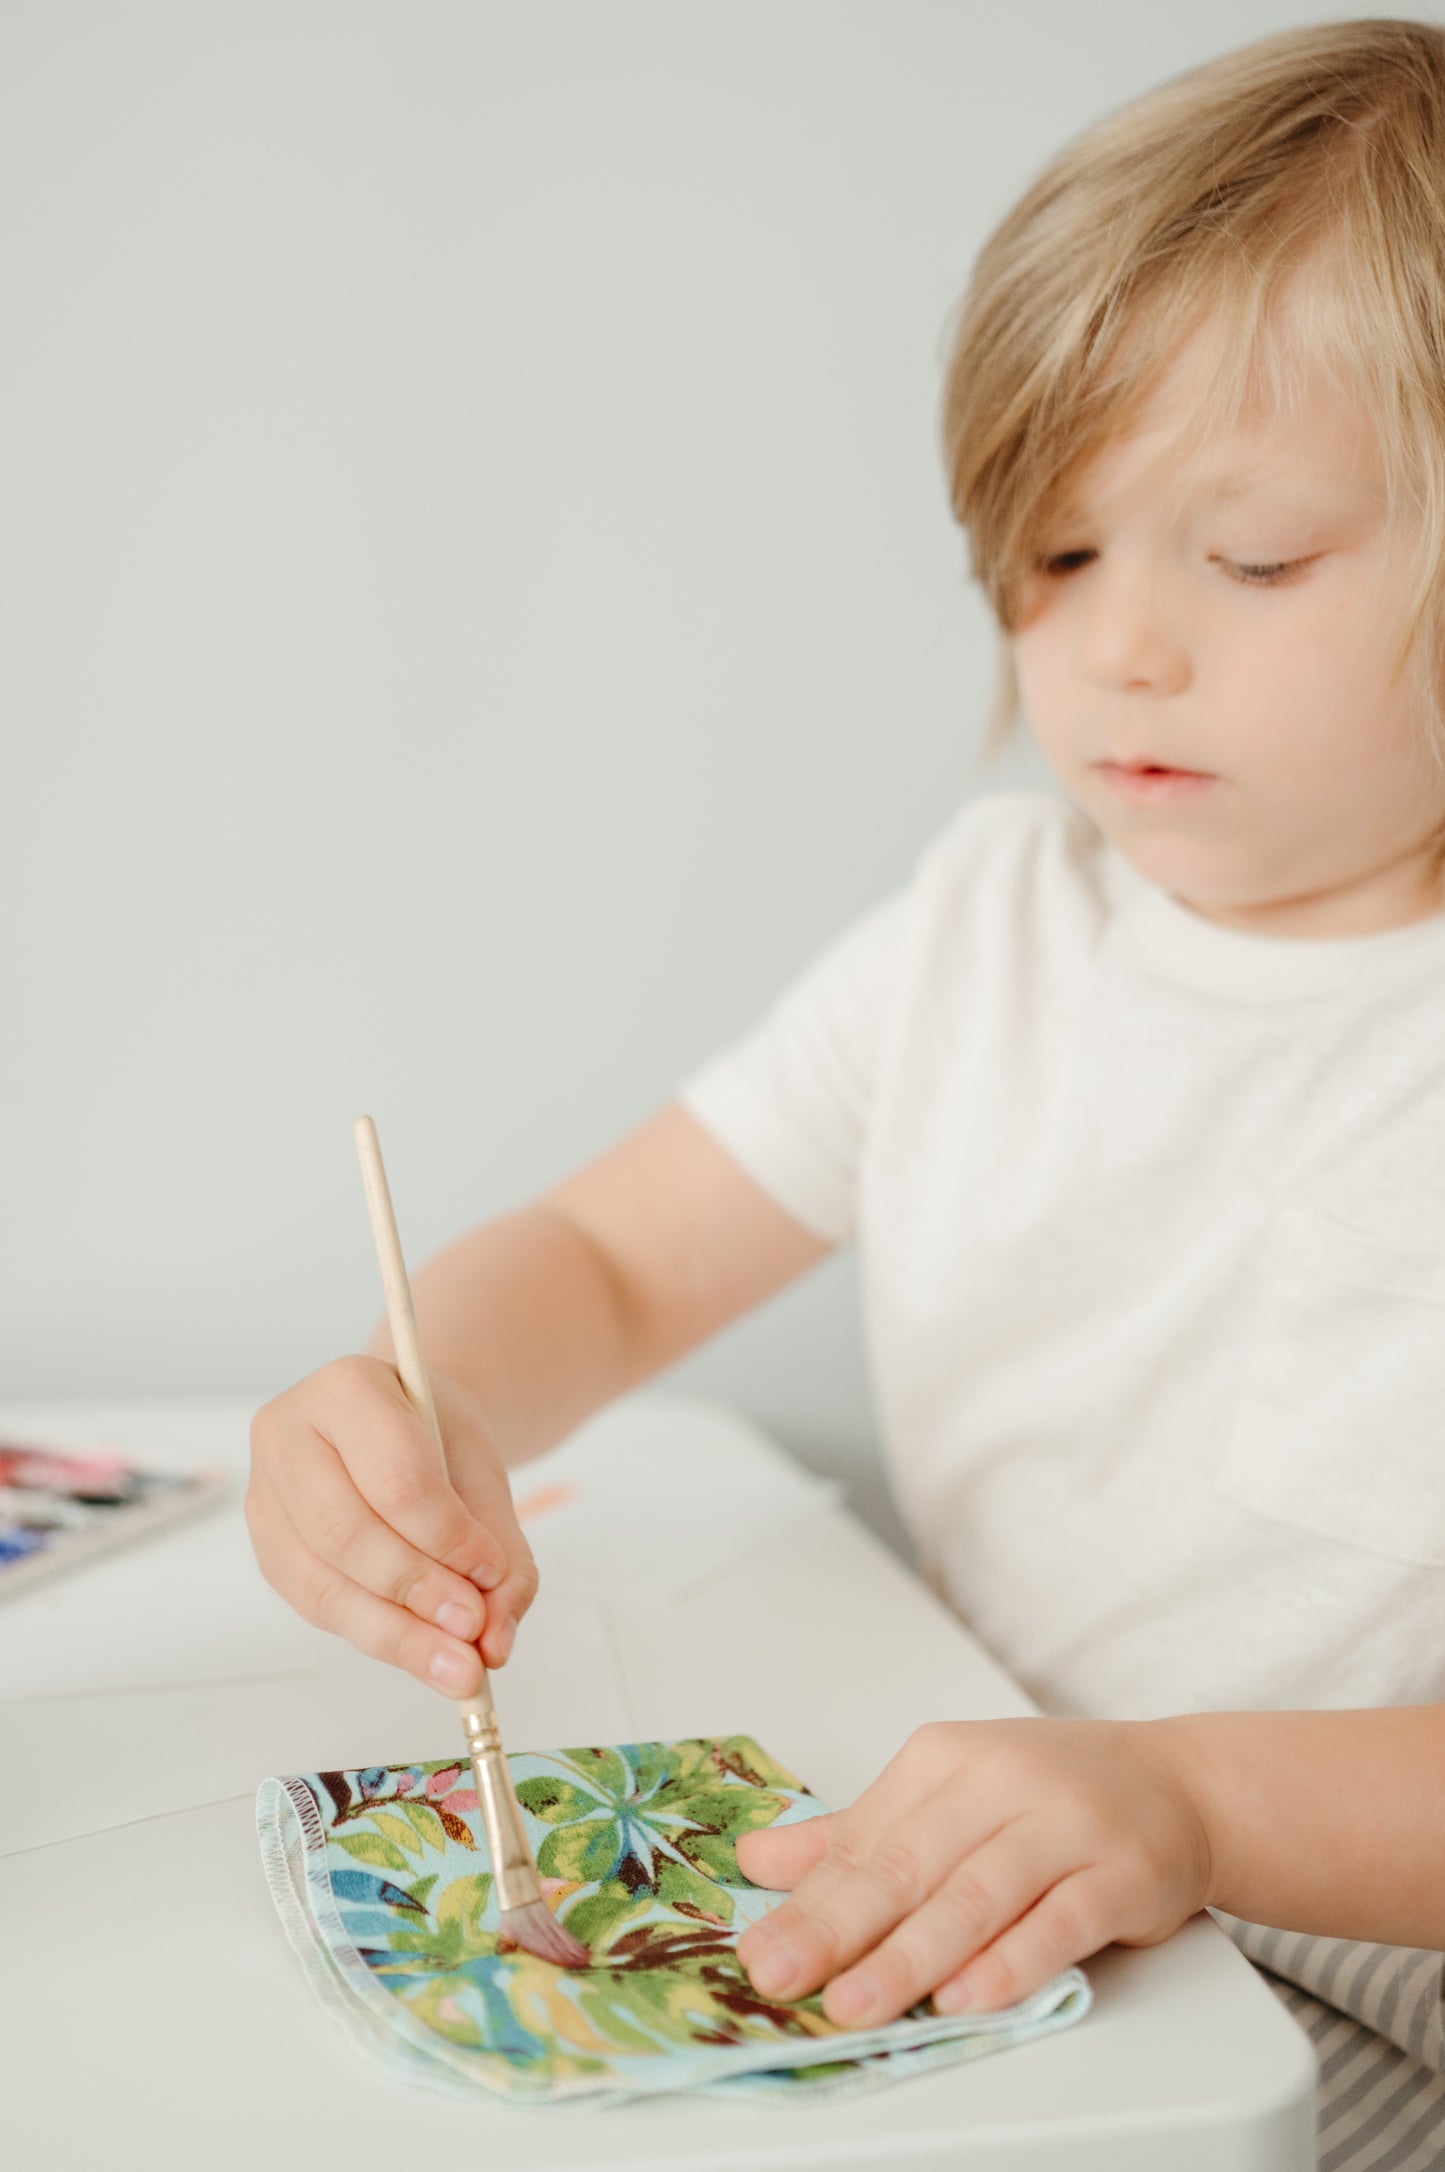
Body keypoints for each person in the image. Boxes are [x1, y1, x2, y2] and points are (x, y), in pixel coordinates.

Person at [247, 20, 1445, 2165]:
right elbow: (615, 1260)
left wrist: (1194, 1800)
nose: (1118, 651)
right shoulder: (989, 927)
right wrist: (423, 1413)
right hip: (1028, 1918)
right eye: (1055, 559)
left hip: (1362, 2015)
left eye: (1250, 556)